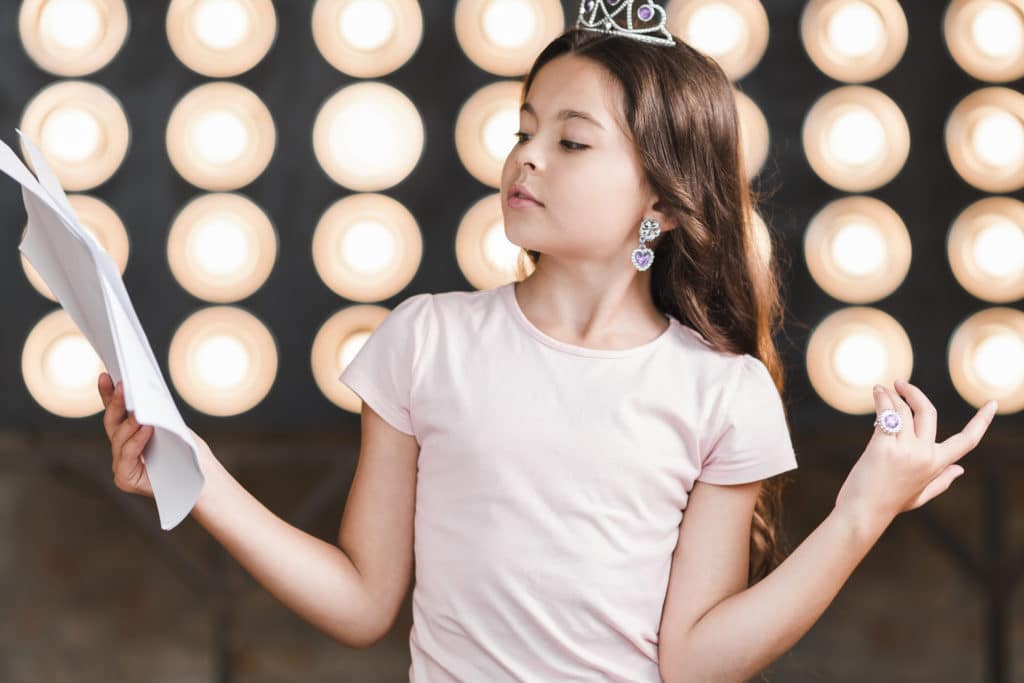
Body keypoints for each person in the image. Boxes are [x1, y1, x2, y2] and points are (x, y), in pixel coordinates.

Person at [96, 7, 999, 682]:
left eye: (571, 141)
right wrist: (194, 468)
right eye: (523, 129)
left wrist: (861, 514)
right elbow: (364, 599)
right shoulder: (427, 341)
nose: (527, 157)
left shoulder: (720, 392)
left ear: (661, 198)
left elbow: (692, 659)